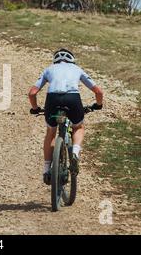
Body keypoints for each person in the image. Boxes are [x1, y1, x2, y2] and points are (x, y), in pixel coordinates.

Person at [28, 49, 104, 185]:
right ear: (72, 60)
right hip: (72, 98)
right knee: (78, 127)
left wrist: (35, 108)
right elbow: (98, 91)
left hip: (53, 99)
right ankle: (75, 152)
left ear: (55, 60)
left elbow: (32, 93)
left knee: (50, 133)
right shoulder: (77, 69)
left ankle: (46, 170)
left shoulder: (49, 69)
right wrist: (98, 105)